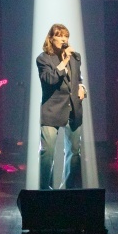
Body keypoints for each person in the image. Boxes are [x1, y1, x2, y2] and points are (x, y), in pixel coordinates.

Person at [36, 23, 87, 190]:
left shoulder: (75, 57)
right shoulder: (43, 58)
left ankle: (68, 190)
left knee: (74, 154)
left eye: (66, 36)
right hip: (52, 110)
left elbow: (77, 79)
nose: (64, 39)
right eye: (60, 35)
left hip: (73, 109)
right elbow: (49, 79)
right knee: (47, 153)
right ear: (52, 38)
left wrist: (82, 88)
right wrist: (64, 61)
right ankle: (44, 190)